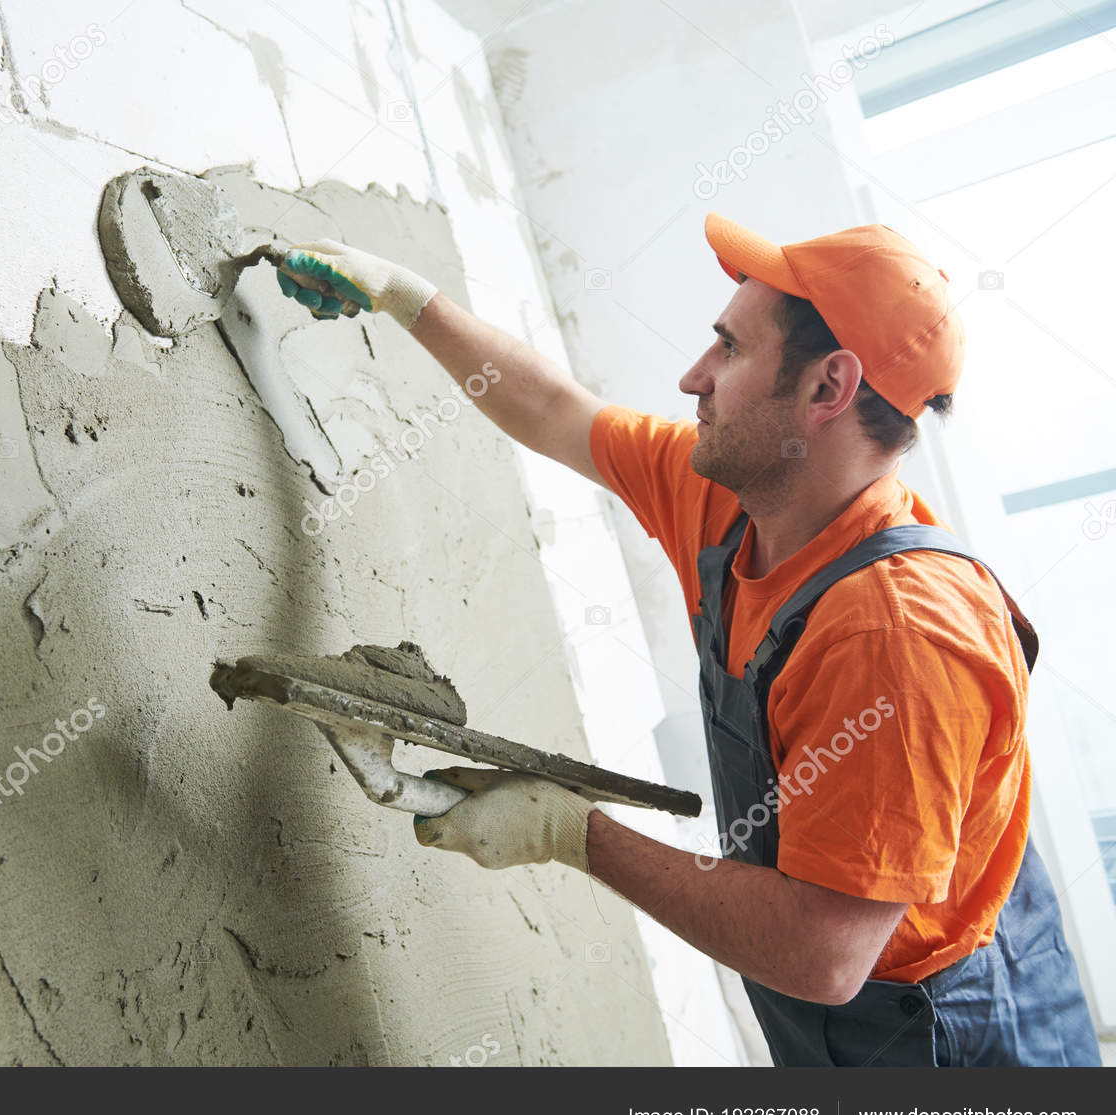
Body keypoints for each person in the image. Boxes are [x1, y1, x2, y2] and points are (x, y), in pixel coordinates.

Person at [275, 217, 1100, 1066]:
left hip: (953, 1046)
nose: (691, 377)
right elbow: (560, 412)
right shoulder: (739, 499)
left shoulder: (899, 635)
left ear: (829, 388)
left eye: (729, 349)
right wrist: (404, 295)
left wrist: (568, 833)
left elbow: (824, 950)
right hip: (835, 1011)